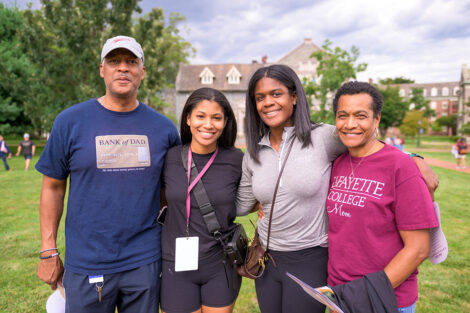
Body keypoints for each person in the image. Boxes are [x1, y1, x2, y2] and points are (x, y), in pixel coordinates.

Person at [236, 64, 438, 313]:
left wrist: (413, 157)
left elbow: (366, 142)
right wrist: (260, 202)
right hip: (271, 259)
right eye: (260, 97)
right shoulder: (255, 151)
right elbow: (241, 203)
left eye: (276, 94)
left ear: (294, 96)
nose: (268, 102)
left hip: (314, 259)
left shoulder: (322, 137)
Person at [35, 35, 180, 313]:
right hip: (87, 261)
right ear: (102, 70)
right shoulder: (70, 121)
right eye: (114, 61)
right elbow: (52, 187)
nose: (123, 68)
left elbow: (168, 192)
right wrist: (48, 250)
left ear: (142, 72)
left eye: (131, 62)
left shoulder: (164, 129)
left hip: (144, 261)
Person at [326, 81, 438, 312]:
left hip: (385, 298)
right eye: (342, 115)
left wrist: (365, 294)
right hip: (340, 294)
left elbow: (418, 248)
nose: (350, 124)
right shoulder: (337, 163)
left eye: (361, 116)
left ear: (376, 120)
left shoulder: (401, 167)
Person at [160, 87, 243, 313]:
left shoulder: (236, 160)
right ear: (188, 119)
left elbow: (253, 196)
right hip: (176, 263)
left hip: (220, 262)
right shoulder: (170, 158)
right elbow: (160, 200)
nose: (208, 124)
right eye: (200, 116)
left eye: (216, 118)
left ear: (225, 122)